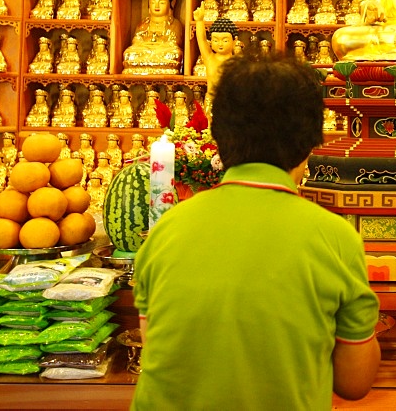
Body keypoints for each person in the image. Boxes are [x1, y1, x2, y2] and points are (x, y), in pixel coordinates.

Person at [133, 55, 381, 409]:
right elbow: (355, 383)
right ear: (311, 140)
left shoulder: (167, 228)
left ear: (217, 133)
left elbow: (157, 348)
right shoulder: (335, 237)